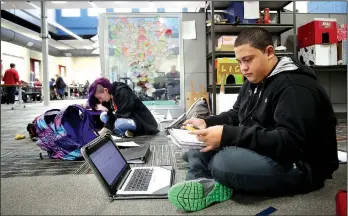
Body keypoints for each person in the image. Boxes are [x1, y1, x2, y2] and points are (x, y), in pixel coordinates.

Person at [167, 27, 339, 212]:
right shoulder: (253, 81)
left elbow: (291, 143)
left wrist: (228, 136)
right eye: (239, 62)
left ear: (269, 52)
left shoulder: (294, 87)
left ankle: (207, 173)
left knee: (223, 163)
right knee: (199, 145)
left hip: (301, 166)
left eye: (248, 60)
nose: (243, 68)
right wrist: (207, 122)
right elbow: (235, 115)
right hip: (267, 149)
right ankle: (204, 182)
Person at [88, 77, 159, 138]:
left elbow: (122, 114)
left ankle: (119, 134)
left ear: (105, 90)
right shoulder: (111, 95)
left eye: (100, 97)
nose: (100, 100)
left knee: (119, 123)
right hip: (127, 118)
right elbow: (112, 114)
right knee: (103, 116)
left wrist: (105, 129)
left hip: (142, 121)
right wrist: (105, 129)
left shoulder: (122, 92)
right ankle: (126, 132)